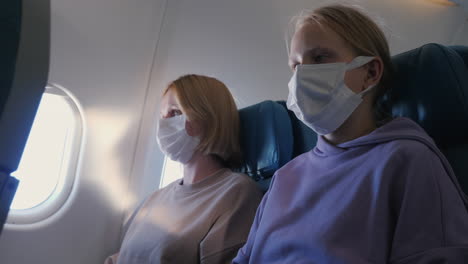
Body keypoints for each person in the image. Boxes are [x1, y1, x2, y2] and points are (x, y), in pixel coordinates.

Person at [233, 4, 468, 263]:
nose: (302, 76)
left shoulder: (406, 160)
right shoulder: (284, 177)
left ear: (370, 72)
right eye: (295, 65)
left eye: (320, 58)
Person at [105, 74, 262, 264]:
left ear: (209, 118)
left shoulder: (237, 193)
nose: (164, 124)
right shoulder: (156, 198)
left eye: (175, 113)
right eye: (163, 116)